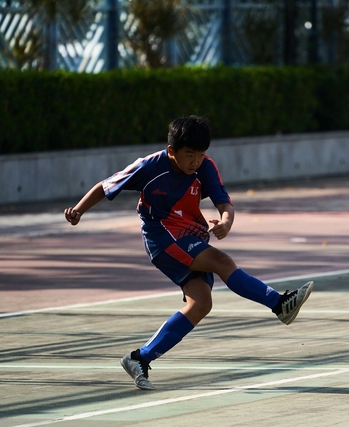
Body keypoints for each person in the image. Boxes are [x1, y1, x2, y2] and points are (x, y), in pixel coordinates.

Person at [64, 115, 313, 390]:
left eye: (201, 154)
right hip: (161, 236)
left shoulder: (205, 167)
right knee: (221, 260)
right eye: (190, 155)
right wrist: (78, 210)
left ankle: (139, 359)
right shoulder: (149, 166)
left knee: (202, 303)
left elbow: (224, 203)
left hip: (189, 234)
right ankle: (279, 304)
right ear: (172, 151)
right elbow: (105, 186)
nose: (196, 161)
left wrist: (226, 223)